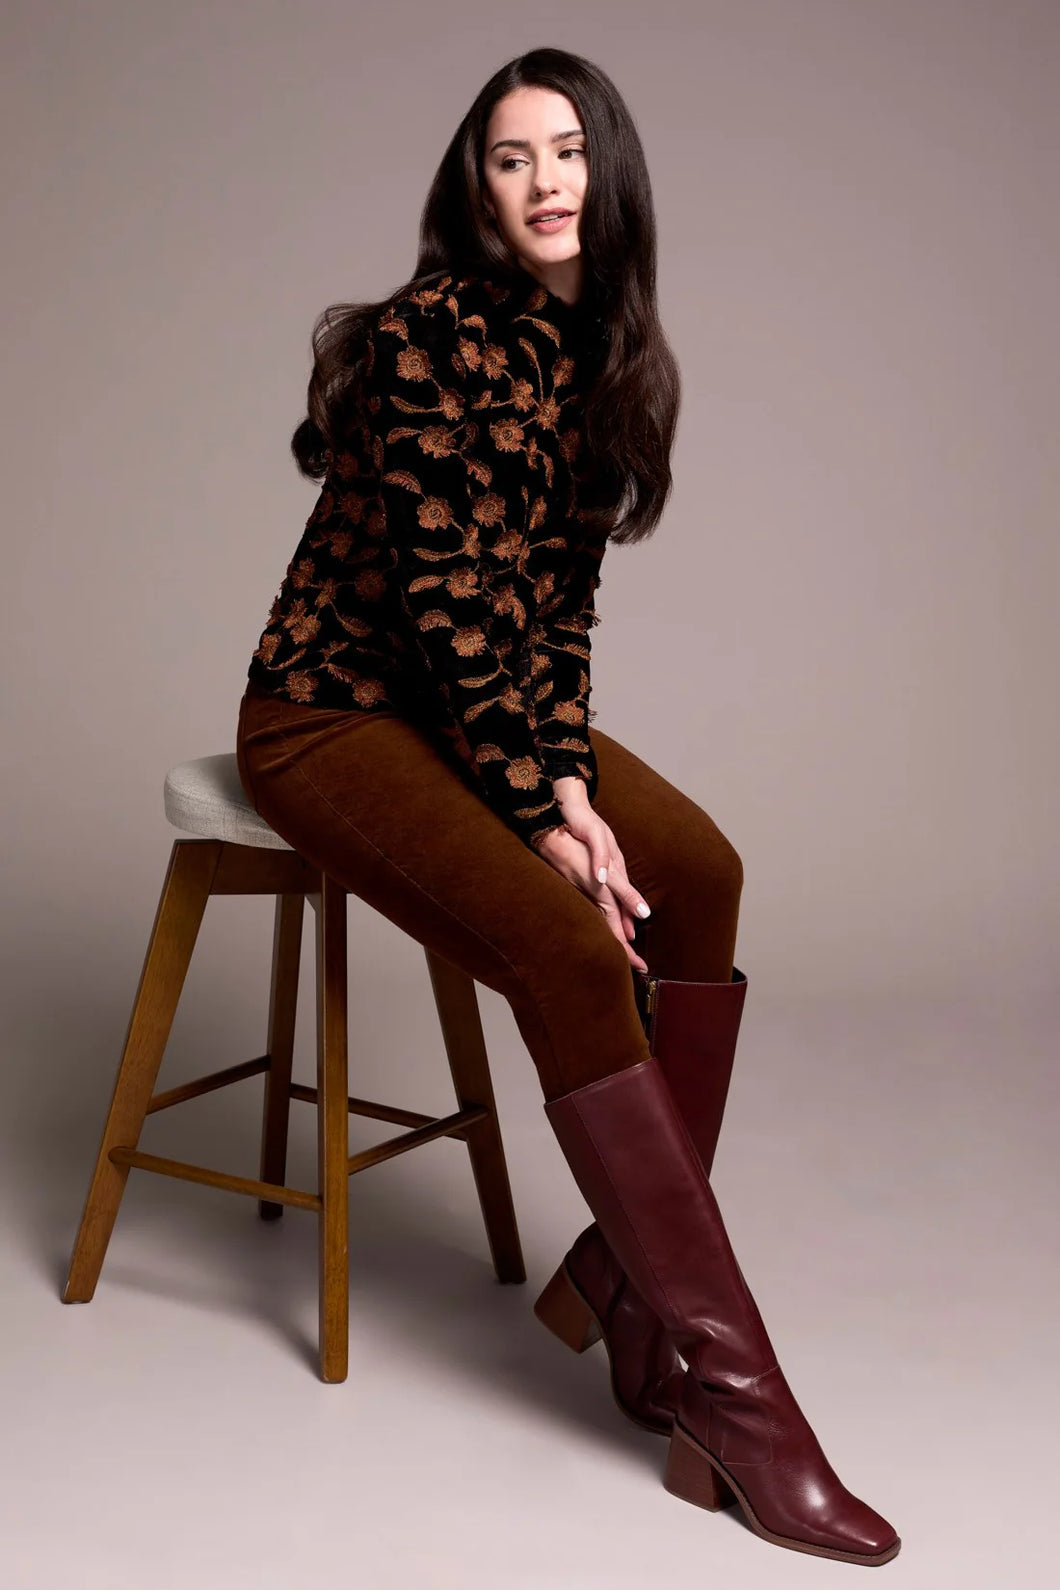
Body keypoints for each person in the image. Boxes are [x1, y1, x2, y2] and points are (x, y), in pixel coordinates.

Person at [235, 46, 900, 1567]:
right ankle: (736, 1401)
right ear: (475, 187)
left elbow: (557, 619)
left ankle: (616, 1281)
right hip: (333, 715)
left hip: (474, 715)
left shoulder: (601, 355)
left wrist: (573, 777)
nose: (541, 184)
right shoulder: (427, 339)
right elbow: (457, 609)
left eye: (566, 153)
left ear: (610, 173)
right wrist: (544, 810)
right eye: (509, 158)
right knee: (571, 946)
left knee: (702, 877)